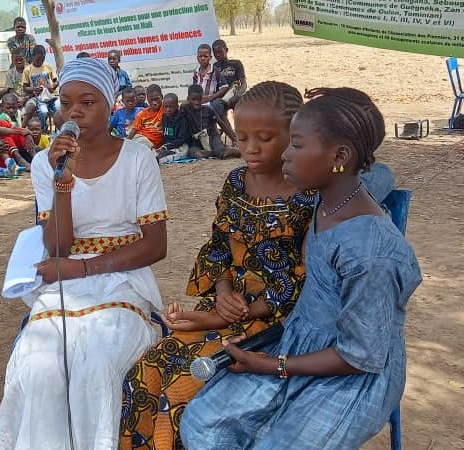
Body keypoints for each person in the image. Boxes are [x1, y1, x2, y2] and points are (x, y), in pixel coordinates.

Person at [180, 87, 423, 449]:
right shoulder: (333, 197)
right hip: (297, 342)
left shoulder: (371, 254)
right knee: (202, 426)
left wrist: (272, 365)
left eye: (296, 145)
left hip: (350, 374)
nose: (285, 155)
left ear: (340, 156)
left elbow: (360, 356)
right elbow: (375, 169)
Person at [120, 82, 311, 449]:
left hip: (271, 325)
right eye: (241, 136)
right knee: (145, 372)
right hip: (224, 307)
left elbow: (302, 279)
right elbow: (219, 245)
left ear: (294, 135)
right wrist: (221, 291)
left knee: (179, 393)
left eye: (265, 138)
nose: (250, 148)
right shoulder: (236, 182)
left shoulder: (308, 195)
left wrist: (228, 316)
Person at [0, 56, 168, 450]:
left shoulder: (138, 158)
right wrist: (62, 183)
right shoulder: (46, 163)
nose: (74, 111)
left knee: (97, 362)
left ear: (110, 105)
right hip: (64, 274)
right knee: (40, 368)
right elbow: (57, 245)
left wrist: (81, 268)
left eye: (87, 102)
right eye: (66, 103)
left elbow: (155, 245)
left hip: (122, 277)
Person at [180, 84, 230, 159]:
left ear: (202, 98)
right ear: (188, 99)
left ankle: (233, 151)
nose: (196, 102)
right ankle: (212, 152)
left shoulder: (208, 109)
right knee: (193, 152)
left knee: (220, 153)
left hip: (211, 136)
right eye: (193, 99)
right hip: (196, 140)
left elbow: (221, 123)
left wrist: (234, 139)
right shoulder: (185, 109)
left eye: (199, 99)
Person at [211, 39, 247, 141]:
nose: (218, 55)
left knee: (244, 104)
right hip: (221, 97)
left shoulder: (236, 64)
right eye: (215, 53)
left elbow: (243, 83)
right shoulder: (214, 67)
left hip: (236, 94)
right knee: (216, 106)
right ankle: (233, 137)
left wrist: (237, 95)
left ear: (226, 50)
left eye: (220, 52)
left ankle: (243, 134)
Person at [23, 45, 59, 131]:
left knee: (59, 109)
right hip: (37, 97)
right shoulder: (28, 70)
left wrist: (53, 86)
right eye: (38, 59)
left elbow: (56, 81)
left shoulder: (48, 67)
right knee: (43, 112)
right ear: (33, 57)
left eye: (42, 59)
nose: (40, 61)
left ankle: (58, 131)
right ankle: (43, 131)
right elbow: (24, 88)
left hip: (51, 96)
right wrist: (34, 89)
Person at [155, 93, 189, 163]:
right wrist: (164, 146)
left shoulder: (182, 119)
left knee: (177, 154)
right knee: (154, 152)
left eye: (171, 107)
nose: (168, 109)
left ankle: (159, 160)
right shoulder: (164, 117)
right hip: (167, 145)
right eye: (166, 107)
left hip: (180, 146)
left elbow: (182, 139)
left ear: (177, 106)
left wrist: (167, 147)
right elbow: (165, 135)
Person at [128, 84, 164, 149]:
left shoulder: (166, 110)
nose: (154, 103)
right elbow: (134, 131)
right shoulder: (142, 114)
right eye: (151, 100)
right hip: (142, 139)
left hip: (155, 144)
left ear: (162, 97)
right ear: (147, 99)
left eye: (156, 99)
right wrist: (126, 144)